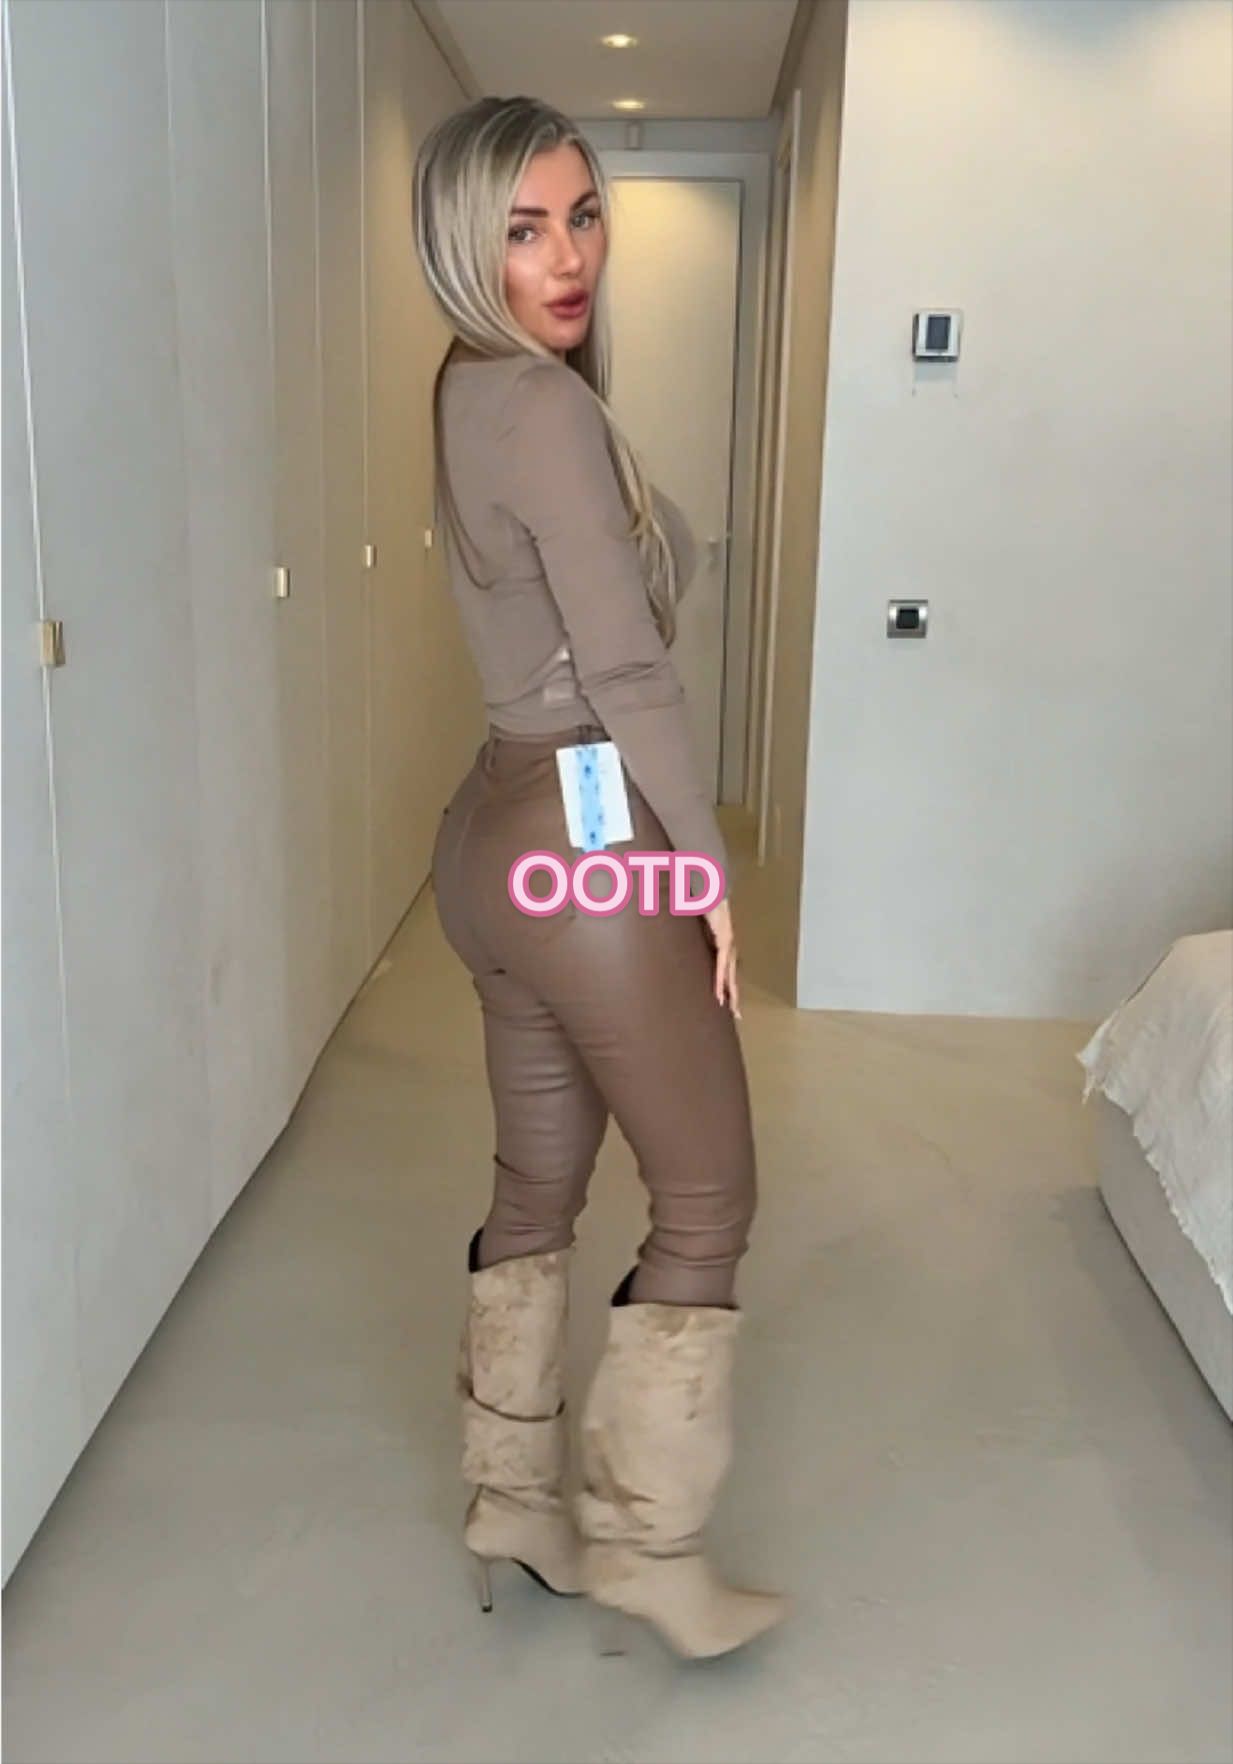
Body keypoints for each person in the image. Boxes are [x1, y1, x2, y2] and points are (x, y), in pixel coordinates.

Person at [412, 94, 785, 1661]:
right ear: (461, 242)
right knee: (704, 1193)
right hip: (585, 838)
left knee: (535, 1186)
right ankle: (648, 1547)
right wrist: (700, 864)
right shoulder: (542, 406)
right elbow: (626, 670)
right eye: (521, 229)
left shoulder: (468, 385)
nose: (565, 256)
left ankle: (513, 1502)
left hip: (490, 837)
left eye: (580, 216)